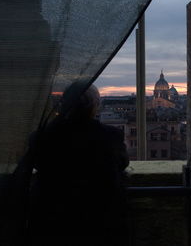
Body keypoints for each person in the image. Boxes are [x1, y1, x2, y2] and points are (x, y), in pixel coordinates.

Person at [28, 83, 129, 246]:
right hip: (99, 221)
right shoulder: (110, 136)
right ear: (95, 106)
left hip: (51, 221)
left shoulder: (42, 136)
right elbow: (121, 163)